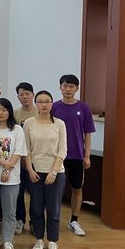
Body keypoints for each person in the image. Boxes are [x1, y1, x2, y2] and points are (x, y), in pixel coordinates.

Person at [51, 74, 96, 237]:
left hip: (77, 155)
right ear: (60, 87)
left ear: (77, 88)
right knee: (54, 189)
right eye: (65, 86)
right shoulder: (54, 107)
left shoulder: (83, 108)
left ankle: (74, 221)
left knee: (77, 188)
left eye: (71, 86)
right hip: (57, 156)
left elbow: (88, 133)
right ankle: (52, 220)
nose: (68, 89)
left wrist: (87, 155)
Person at [24, 90, 67, 249]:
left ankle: (53, 242)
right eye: (40, 101)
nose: (44, 104)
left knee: (53, 208)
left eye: (47, 101)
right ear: (36, 104)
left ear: (52, 103)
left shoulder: (60, 124)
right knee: (36, 207)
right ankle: (39, 240)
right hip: (35, 171)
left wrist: (53, 172)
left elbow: (62, 151)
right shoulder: (29, 123)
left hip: (55, 172)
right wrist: (30, 170)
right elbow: (26, 150)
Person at [0, 98, 27, 249]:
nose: (0, 113)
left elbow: (19, 151)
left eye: (4, 110)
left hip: (12, 178)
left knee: (10, 211)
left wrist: (8, 170)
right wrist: (4, 165)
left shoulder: (17, 130)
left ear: (9, 111)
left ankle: (8, 241)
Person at [13, 81, 36, 235]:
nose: (25, 97)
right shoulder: (15, 114)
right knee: (19, 193)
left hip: (36, 160)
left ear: (33, 95)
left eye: (27, 94)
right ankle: (19, 219)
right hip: (19, 160)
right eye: (21, 94)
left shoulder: (39, 112)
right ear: (18, 97)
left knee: (35, 194)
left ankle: (34, 221)